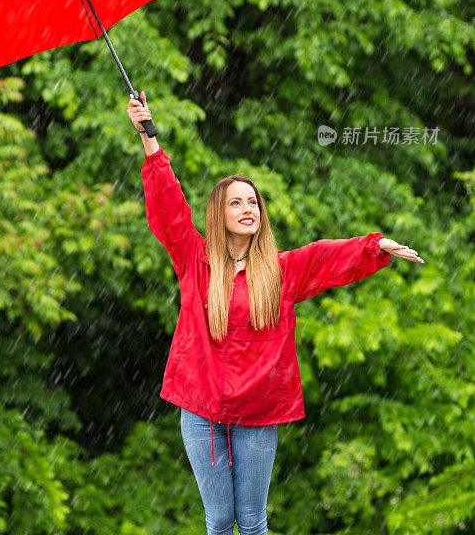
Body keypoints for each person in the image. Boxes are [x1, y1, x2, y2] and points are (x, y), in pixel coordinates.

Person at [127, 91, 424, 535]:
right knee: (220, 520)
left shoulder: (280, 270)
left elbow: (326, 256)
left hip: (258, 412)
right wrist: (149, 138)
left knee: (251, 521)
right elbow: (168, 210)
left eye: (253, 203)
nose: (247, 209)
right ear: (218, 214)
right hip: (202, 407)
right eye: (236, 202)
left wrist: (373, 245)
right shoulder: (194, 259)